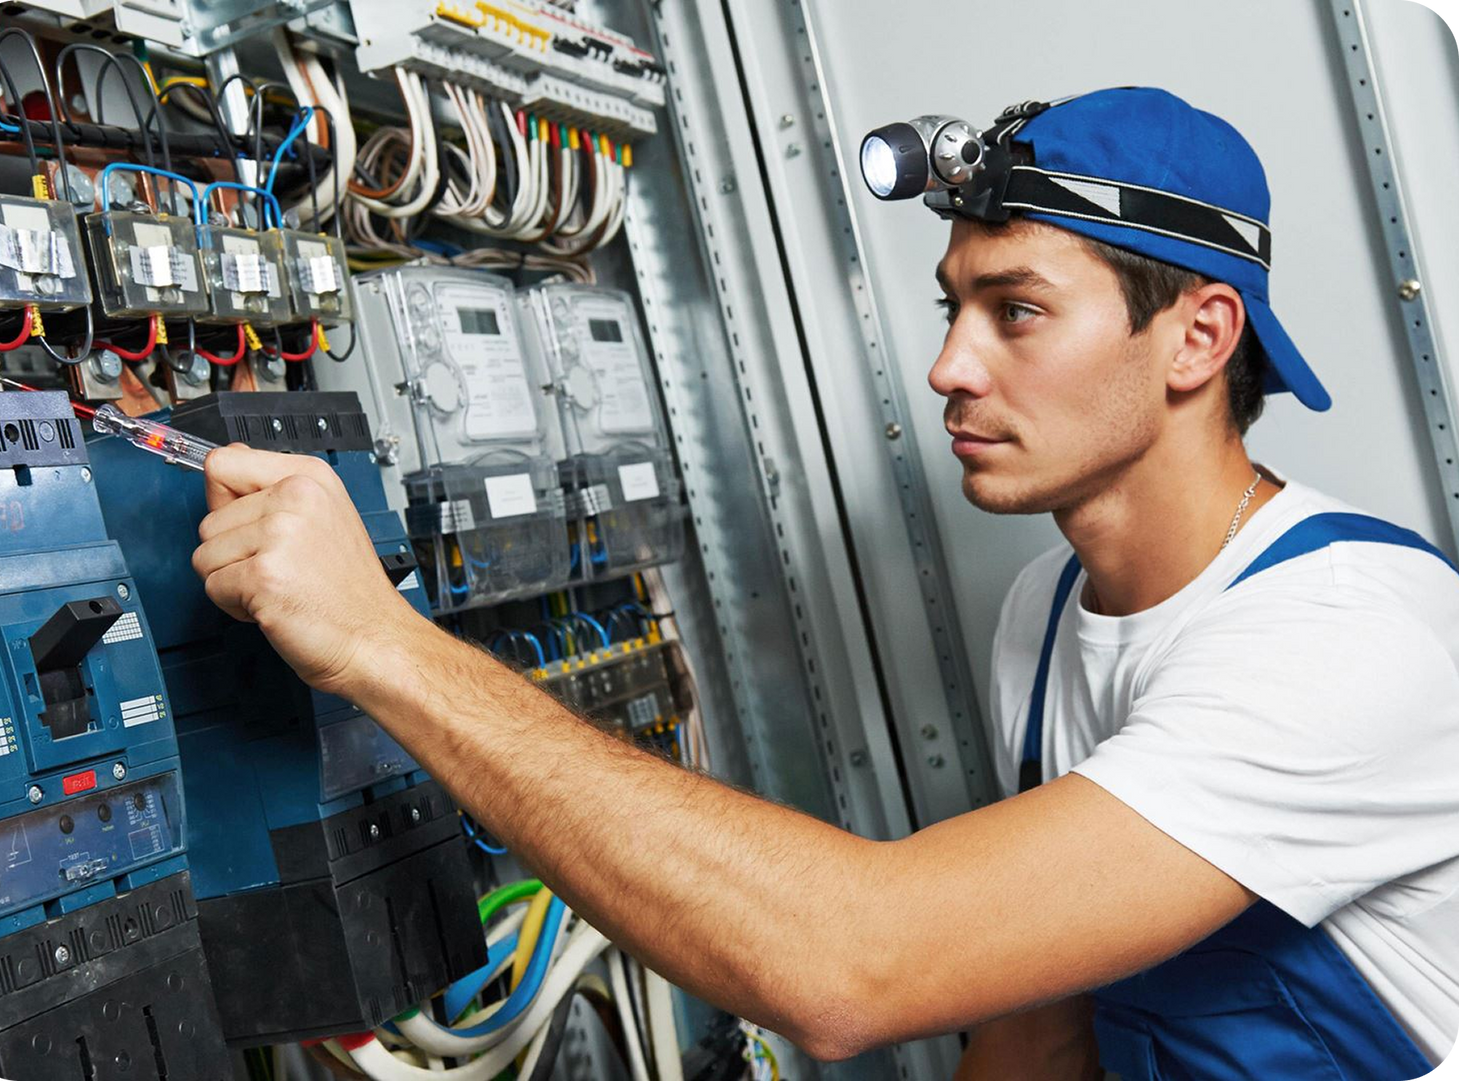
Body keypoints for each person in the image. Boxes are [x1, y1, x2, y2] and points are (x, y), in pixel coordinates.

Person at [190, 88, 1458, 1079]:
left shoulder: (1352, 637)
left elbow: (852, 962)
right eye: (952, 306)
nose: (948, 365)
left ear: (1199, 336)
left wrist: (385, 646)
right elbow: (1052, 1027)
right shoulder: (1051, 616)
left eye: (1015, 311)